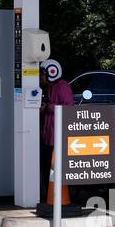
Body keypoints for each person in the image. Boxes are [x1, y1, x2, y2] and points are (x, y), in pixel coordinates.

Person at [39, 59, 75, 202]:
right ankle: (48, 194)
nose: (40, 77)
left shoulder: (62, 86)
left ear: (51, 73)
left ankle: (56, 195)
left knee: (55, 166)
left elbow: (69, 107)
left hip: (57, 135)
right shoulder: (50, 87)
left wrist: (48, 107)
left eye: (42, 74)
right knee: (47, 166)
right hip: (49, 135)